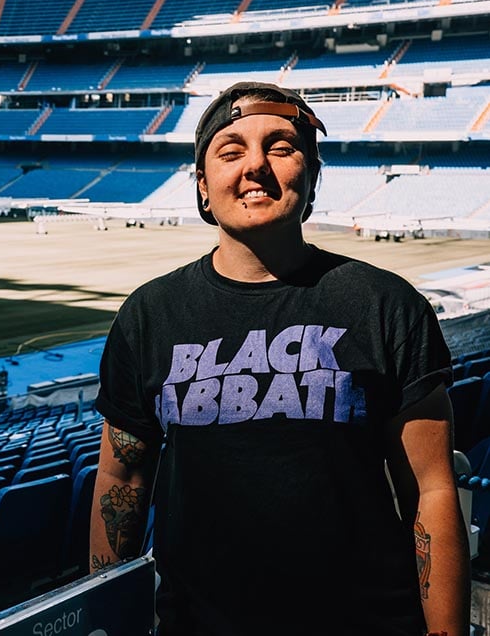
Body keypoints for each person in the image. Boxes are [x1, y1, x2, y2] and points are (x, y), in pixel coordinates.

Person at [89, 81, 469, 635]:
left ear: (311, 176)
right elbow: (120, 479)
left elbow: (431, 490)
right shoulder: (149, 316)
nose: (256, 167)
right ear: (202, 185)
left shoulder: (386, 306)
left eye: (282, 147)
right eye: (231, 150)